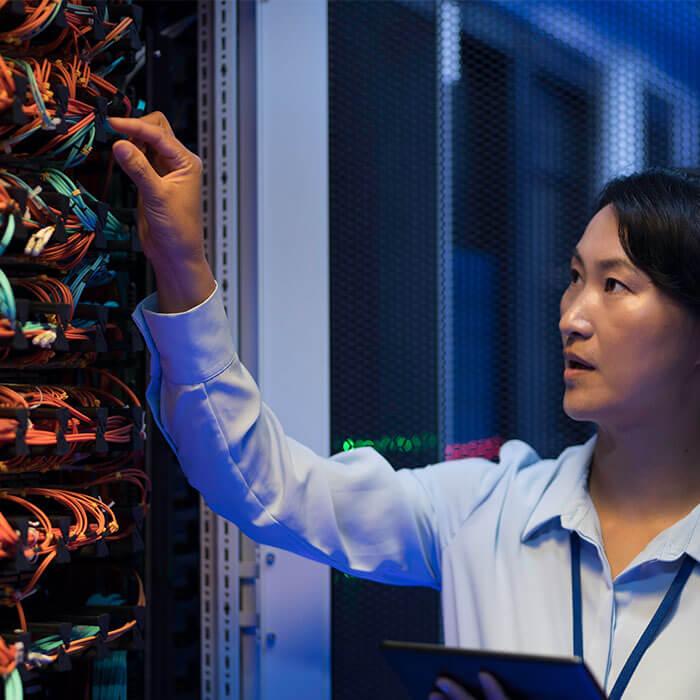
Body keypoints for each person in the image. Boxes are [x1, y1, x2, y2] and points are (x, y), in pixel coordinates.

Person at [108, 112, 700, 700]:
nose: (571, 316)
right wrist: (182, 265)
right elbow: (269, 485)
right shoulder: (488, 511)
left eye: (614, 285)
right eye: (574, 277)